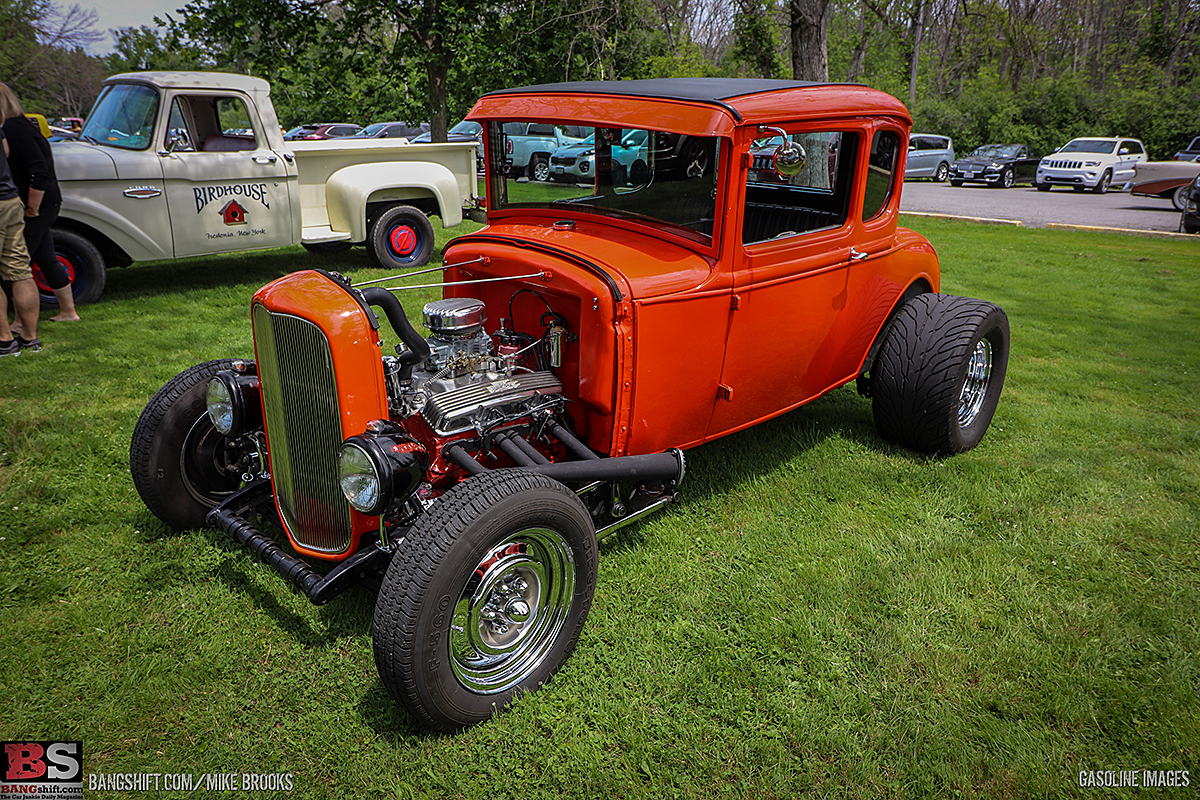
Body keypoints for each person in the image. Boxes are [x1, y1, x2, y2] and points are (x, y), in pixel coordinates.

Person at [0, 83, 77, 331]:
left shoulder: (15, 129)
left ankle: (22, 321)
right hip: (47, 202)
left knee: (18, 266)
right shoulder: (22, 125)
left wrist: (32, 208)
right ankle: (68, 310)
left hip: (38, 205)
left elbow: (38, 171)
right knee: (45, 256)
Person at [0, 126, 34, 356]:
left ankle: (4, 340)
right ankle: (29, 337)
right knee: (19, 269)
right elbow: (6, 150)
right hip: (10, 198)